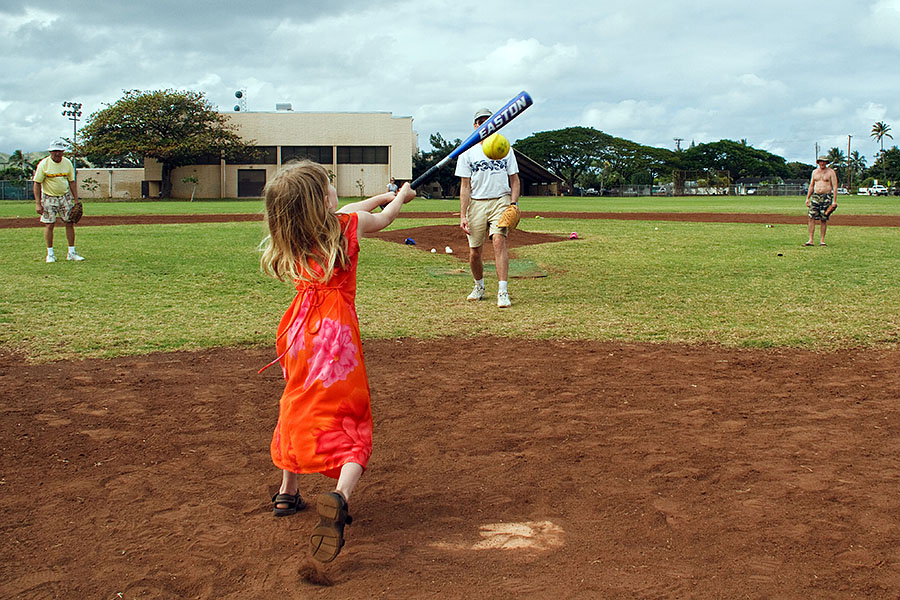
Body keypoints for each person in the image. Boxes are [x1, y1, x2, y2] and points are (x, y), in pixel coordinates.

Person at [258, 160, 415, 563]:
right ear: (321, 203)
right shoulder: (346, 227)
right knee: (349, 417)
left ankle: (286, 494)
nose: (336, 192)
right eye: (330, 187)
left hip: (297, 332)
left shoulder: (296, 231)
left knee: (298, 401)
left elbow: (351, 210)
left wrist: (385, 192)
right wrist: (400, 199)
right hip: (335, 337)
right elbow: (380, 220)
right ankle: (339, 497)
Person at [455, 108, 520, 308]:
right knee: (475, 251)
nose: (484, 124)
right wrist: (463, 215)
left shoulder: (504, 147)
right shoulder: (467, 151)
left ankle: (503, 291)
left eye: (488, 121)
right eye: (480, 121)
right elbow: (465, 186)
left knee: (499, 241)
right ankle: (479, 286)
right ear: (475, 126)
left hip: (500, 200)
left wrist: (513, 204)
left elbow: (515, 180)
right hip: (477, 203)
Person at [33, 139, 84, 262]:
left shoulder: (67, 163)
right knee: (49, 224)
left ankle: (71, 252)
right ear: (50, 152)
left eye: (59, 151)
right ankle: (50, 254)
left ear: (63, 152)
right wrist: (38, 203)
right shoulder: (44, 164)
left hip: (64, 197)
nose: (57, 154)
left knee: (69, 222)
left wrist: (76, 200)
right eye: (54, 151)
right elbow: (37, 183)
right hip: (48, 197)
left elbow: (72, 181)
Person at [805, 155, 838, 246]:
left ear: (827, 163)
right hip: (816, 196)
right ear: (818, 162)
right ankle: (810, 240)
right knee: (811, 217)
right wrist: (807, 198)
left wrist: (834, 201)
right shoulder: (814, 172)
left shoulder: (831, 172)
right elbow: (811, 185)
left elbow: (835, 187)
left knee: (823, 218)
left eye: (824, 161)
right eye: (821, 161)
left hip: (826, 197)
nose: (822, 163)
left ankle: (822, 241)